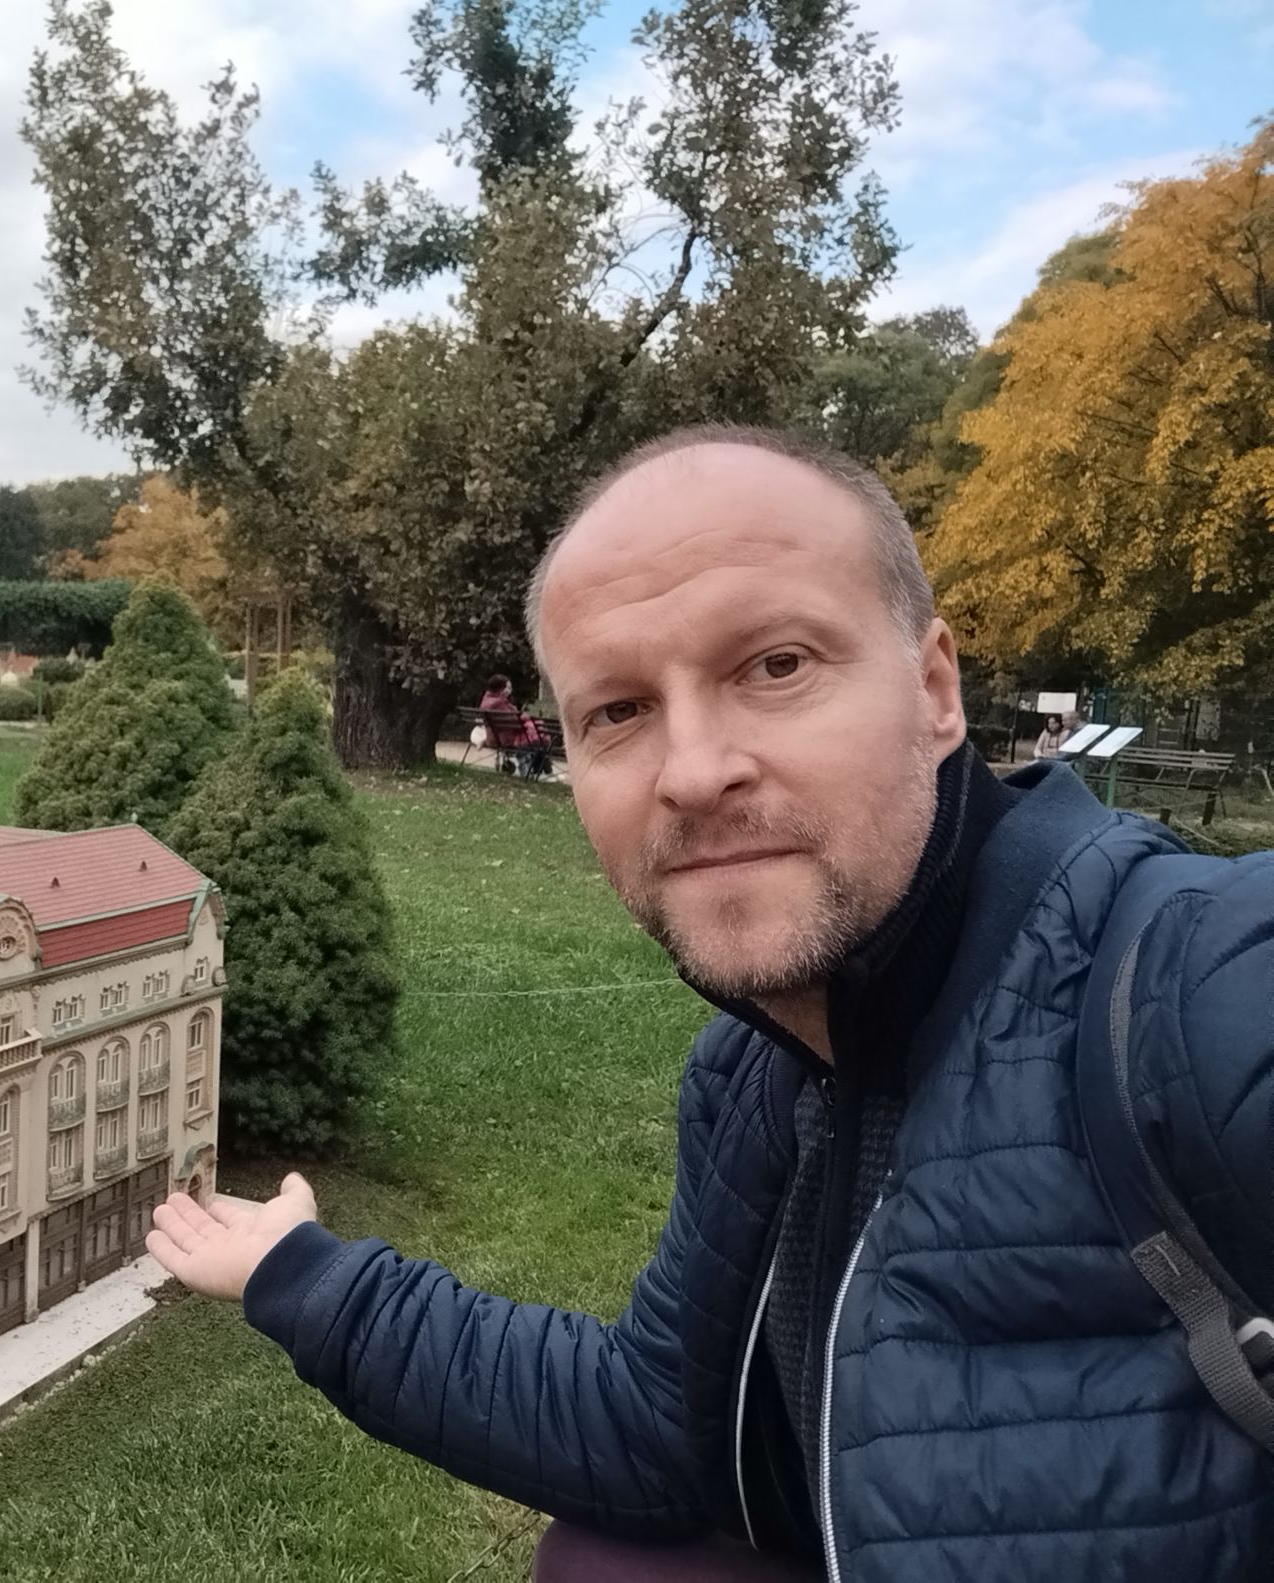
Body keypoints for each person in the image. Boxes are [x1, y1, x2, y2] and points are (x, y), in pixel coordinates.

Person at [147, 425, 1274, 1580]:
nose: (690, 770)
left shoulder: (1189, 985)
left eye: (774, 665)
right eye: (616, 711)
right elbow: (659, 1429)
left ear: (934, 690)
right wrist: (302, 1273)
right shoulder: (760, 1078)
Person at [478, 673, 553, 778]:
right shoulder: (498, 703)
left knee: (538, 736)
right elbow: (514, 722)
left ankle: (542, 769)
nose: (510, 690)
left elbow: (511, 720)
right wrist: (525, 718)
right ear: (500, 689)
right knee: (540, 737)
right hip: (507, 738)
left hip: (497, 736)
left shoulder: (488, 701)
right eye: (508, 687)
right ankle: (542, 770)